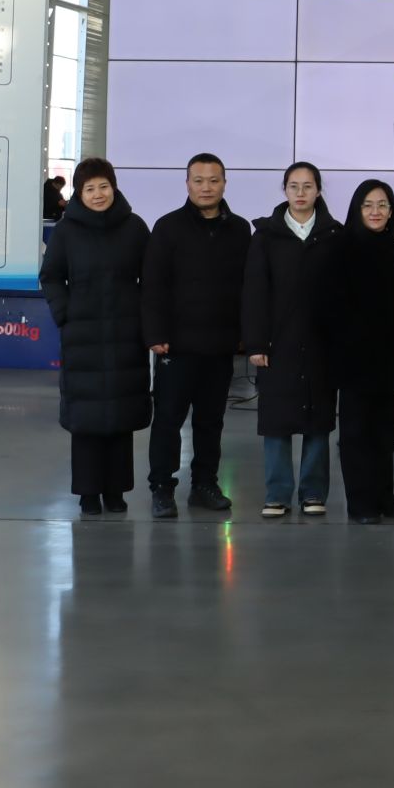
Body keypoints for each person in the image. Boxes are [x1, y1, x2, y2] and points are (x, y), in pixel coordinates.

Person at [139, 152, 251, 519]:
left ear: (224, 183)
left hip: (220, 345)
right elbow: (152, 286)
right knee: (168, 420)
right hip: (175, 345)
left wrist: (243, 334)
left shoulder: (240, 229)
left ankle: (205, 484)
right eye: (198, 180)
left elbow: (246, 287)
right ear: (187, 184)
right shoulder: (168, 227)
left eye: (213, 180)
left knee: (211, 421)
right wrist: (155, 334)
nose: (206, 187)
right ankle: (162, 487)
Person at [40, 157, 151, 517]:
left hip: (125, 333)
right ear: (79, 192)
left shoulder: (134, 227)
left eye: (104, 186)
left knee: (120, 416)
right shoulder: (67, 230)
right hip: (82, 334)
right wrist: (65, 314)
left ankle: (116, 491)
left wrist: (144, 320)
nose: (98, 194)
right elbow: (51, 276)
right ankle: (88, 492)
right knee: (86, 418)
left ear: (114, 187)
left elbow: (152, 278)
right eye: (90, 188)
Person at [241, 162, 342, 518]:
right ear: (284, 190)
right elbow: (254, 292)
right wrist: (255, 343)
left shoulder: (334, 235)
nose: (300, 193)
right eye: (294, 186)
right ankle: (278, 493)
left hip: (321, 342)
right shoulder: (266, 235)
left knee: (319, 420)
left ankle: (313, 493)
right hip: (277, 342)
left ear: (318, 190)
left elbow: (341, 295)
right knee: (276, 420)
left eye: (308, 186)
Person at [325, 179, 394, 525]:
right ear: (356, 209)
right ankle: (359, 502)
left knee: (384, 431)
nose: (376, 212)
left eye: (383, 205)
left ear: (391, 212)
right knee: (356, 433)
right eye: (368, 205)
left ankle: (384, 497)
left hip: (390, 357)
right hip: (353, 359)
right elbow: (330, 307)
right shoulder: (340, 247)